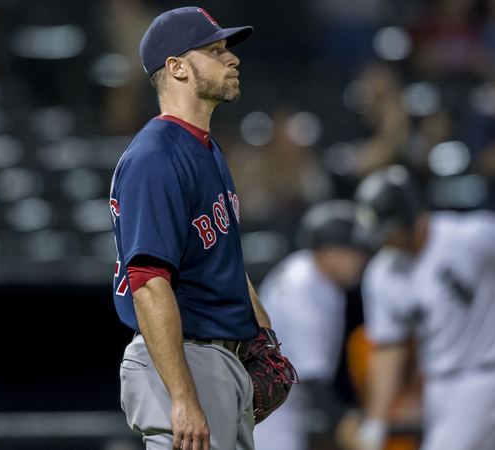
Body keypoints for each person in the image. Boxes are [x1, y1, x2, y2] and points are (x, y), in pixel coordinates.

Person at [109, 8, 287, 450]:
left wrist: (263, 333)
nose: (232, 60)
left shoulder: (206, 148)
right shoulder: (156, 156)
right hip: (183, 361)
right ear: (177, 68)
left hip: (217, 359)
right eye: (214, 51)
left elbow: (223, 257)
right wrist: (183, 397)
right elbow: (147, 283)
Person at [341, 165, 495, 450]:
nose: (384, 240)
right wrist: (377, 419)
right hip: (438, 387)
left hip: (491, 374)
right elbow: (388, 348)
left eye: (390, 230)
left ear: (409, 218)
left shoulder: (466, 235)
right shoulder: (382, 273)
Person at [252, 200, 368, 450]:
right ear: (330, 251)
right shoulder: (303, 285)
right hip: (268, 408)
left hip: (279, 400)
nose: (361, 259)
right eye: (354, 251)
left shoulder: (316, 277)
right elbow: (310, 373)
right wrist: (341, 421)